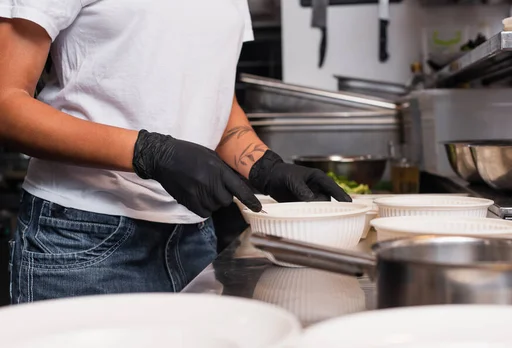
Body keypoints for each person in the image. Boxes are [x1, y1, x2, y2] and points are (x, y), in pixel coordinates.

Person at [0, 0, 351, 304]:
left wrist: (263, 165)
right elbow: (6, 105)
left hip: (193, 236)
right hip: (84, 240)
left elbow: (205, 91)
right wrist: (149, 152)